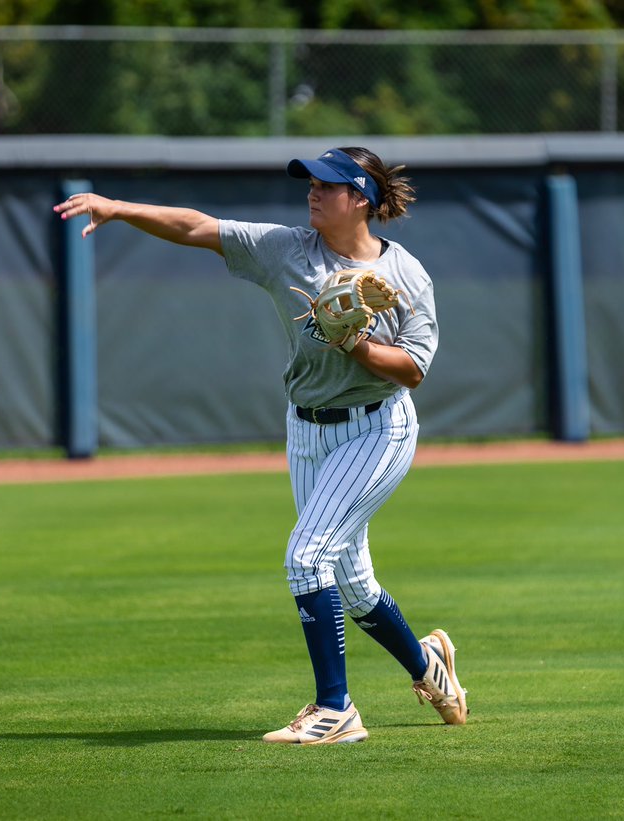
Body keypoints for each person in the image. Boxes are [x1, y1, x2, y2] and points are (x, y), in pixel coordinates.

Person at [53, 146, 467, 745]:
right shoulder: (285, 249)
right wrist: (117, 207)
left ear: (361, 199)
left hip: (379, 427)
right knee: (350, 581)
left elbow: (412, 370)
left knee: (306, 556)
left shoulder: (407, 275)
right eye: (310, 182)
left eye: (327, 184)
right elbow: (198, 226)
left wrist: (354, 345)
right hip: (306, 429)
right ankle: (430, 668)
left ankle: (337, 711)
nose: (312, 192)